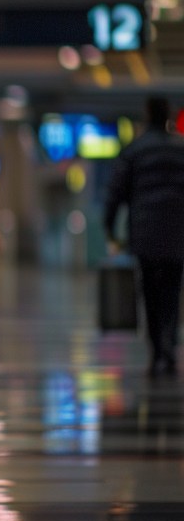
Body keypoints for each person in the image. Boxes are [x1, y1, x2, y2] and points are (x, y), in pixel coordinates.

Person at [104, 96, 184, 378]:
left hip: (146, 234)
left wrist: (110, 228)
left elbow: (115, 193)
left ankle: (156, 349)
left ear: (146, 114)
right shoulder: (180, 151)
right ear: (168, 116)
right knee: (172, 292)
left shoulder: (134, 151)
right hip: (177, 234)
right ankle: (169, 346)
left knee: (150, 291)